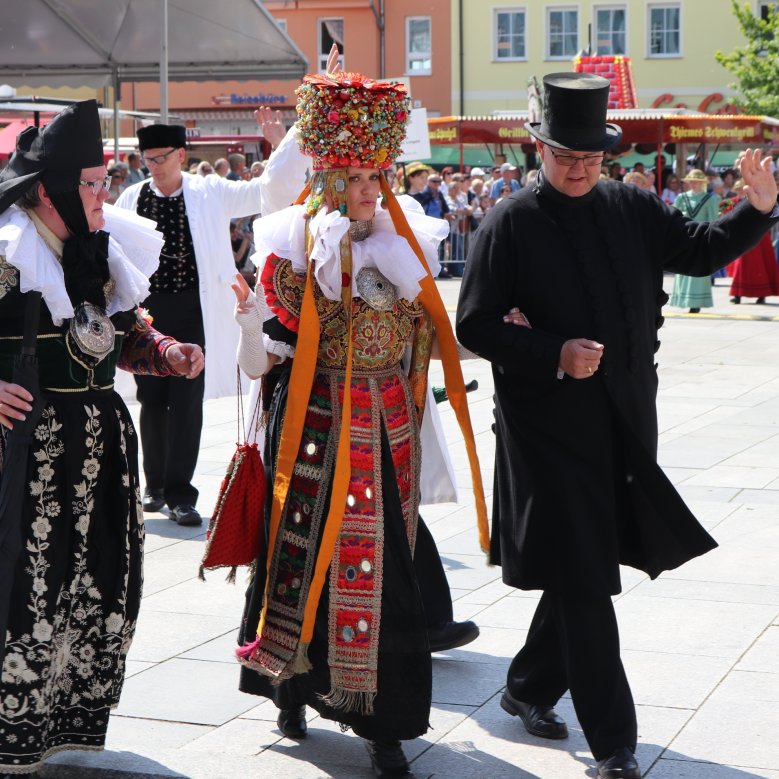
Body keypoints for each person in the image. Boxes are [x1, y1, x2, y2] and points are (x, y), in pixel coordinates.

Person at [455, 72, 778, 779]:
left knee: (583, 561)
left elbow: (696, 249)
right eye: (564, 155)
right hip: (544, 427)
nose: (577, 168)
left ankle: (529, 684)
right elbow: (473, 324)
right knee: (585, 575)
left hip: (626, 417)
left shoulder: (630, 207)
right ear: (536, 148)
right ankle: (613, 745)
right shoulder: (508, 221)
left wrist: (756, 211)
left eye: (590, 158)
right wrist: (553, 353)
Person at [233, 62, 488, 779]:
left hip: (386, 428)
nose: (370, 192)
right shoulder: (290, 248)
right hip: (312, 422)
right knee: (298, 554)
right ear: (324, 181)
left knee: (387, 571)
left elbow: (433, 336)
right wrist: (250, 327)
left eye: (377, 177)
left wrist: (510, 340)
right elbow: (263, 362)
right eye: (354, 178)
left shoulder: (406, 244)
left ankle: (384, 723)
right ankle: (288, 684)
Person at [0, 100, 205, 775]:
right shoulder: (8, 250)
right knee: (23, 591)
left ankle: (62, 723)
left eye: (102, 180)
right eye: (91, 182)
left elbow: (123, 331)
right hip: (24, 458)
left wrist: (166, 350)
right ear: (51, 190)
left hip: (98, 456)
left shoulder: (97, 248)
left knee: (92, 586)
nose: (102, 193)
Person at [115, 109, 307, 526]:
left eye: (161, 158)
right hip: (149, 314)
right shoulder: (131, 198)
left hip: (193, 311)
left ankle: (182, 494)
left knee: (186, 402)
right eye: (148, 159)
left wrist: (280, 146)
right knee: (150, 399)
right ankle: (155, 486)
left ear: (181, 156)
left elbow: (263, 192)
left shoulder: (209, 191)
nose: (154, 166)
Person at [669, 169, 720, 312]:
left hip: (701, 237)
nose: (693, 183)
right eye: (691, 181)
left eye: (696, 181)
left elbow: (713, 220)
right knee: (682, 267)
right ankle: (683, 299)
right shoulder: (681, 197)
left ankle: (696, 303)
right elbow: (674, 217)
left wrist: (712, 238)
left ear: (703, 182)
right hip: (684, 236)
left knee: (698, 268)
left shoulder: (709, 199)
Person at [725, 179, 779, 304]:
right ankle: (738, 293)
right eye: (738, 189)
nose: (741, 192)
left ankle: (761, 294)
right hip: (741, 236)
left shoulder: (759, 201)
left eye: (742, 189)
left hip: (758, 236)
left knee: (760, 265)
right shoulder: (732, 202)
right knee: (741, 265)